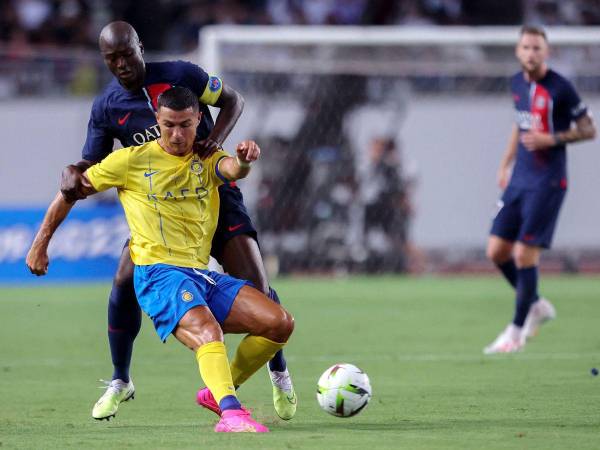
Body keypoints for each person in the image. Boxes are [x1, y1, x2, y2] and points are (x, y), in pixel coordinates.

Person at [25, 21, 297, 421]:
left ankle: (278, 372)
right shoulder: (107, 107)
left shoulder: (180, 74)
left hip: (215, 192)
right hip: (162, 216)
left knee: (259, 289)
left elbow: (234, 101)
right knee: (123, 277)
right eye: (110, 58)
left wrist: (214, 139)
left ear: (140, 46)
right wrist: (72, 170)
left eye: (126, 54)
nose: (120, 64)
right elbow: (93, 164)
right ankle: (121, 379)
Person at [484, 25, 596, 354]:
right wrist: (505, 163)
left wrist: (553, 139)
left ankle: (515, 333)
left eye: (537, 48)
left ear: (546, 52)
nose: (531, 53)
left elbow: (589, 129)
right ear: (518, 52)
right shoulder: (516, 83)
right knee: (496, 251)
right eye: (526, 47)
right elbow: (519, 127)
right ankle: (536, 304)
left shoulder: (561, 88)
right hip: (520, 178)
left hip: (548, 181)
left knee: (523, 254)